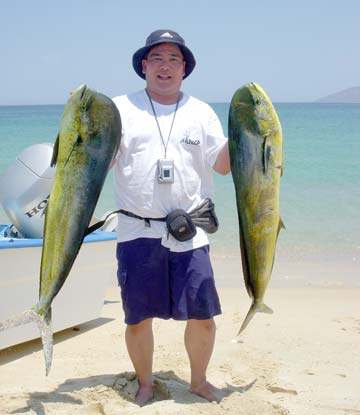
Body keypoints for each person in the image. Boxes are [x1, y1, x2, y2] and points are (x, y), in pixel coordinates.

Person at [111, 29, 230, 407]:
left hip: (190, 233)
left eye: (173, 59)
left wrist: (259, 142)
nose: (165, 66)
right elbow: (97, 161)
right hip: (136, 231)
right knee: (137, 318)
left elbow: (224, 167)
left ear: (185, 69)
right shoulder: (119, 109)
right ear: (144, 66)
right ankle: (145, 383)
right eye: (157, 58)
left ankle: (198, 380)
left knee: (203, 315)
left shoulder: (202, 112)